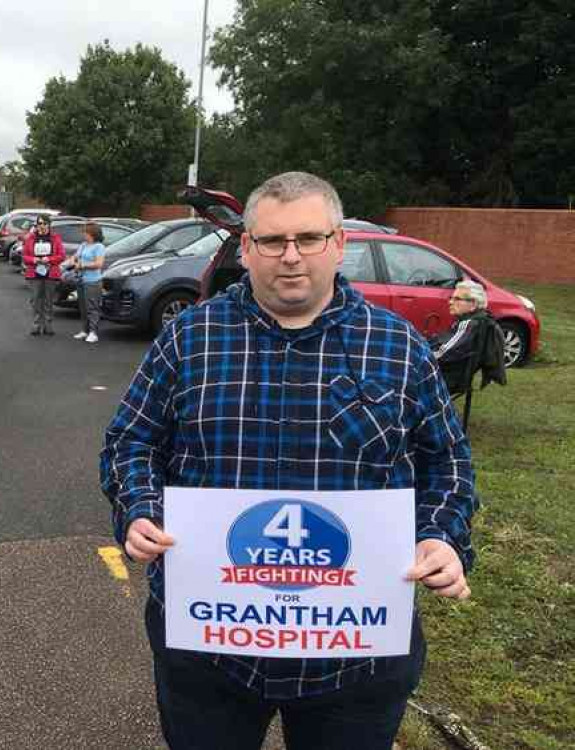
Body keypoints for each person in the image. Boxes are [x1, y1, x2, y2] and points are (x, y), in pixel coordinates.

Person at [101, 171, 477, 750]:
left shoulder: (398, 347)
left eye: (309, 238)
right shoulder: (190, 339)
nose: (291, 257)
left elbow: (446, 461)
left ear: (339, 244)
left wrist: (442, 536)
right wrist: (141, 509)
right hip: (210, 650)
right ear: (246, 248)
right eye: (272, 241)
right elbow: (132, 441)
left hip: (355, 663)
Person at [430, 280, 506, 394]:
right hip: (447, 374)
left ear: (473, 305)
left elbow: (444, 353)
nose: (450, 302)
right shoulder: (477, 321)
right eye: (451, 298)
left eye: (457, 299)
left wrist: (419, 356)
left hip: (445, 378)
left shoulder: (469, 324)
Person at [21, 214, 65, 336]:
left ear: (49, 225)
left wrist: (49, 259)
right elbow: (24, 256)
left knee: (48, 300)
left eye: (44, 223)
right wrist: (34, 260)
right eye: (39, 223)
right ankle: (36, 324)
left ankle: (48, 324)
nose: (42, 226)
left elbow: (61, 255)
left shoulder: (55, 238)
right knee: (35, 300)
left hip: (50, 272)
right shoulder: (31, 238)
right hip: (34, 273)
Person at [67, 222, 105, 343]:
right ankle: (85, 330)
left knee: (92, 307)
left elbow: (99, 264)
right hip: (81, 280)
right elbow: (75, 256)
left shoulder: (99, 247)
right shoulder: (83, 245)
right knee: (83, 307)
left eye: (86, 232)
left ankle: (94, 332)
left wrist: (83, 265)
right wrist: (73, 261)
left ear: (93, 234)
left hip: (93, 281)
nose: (84, 234)